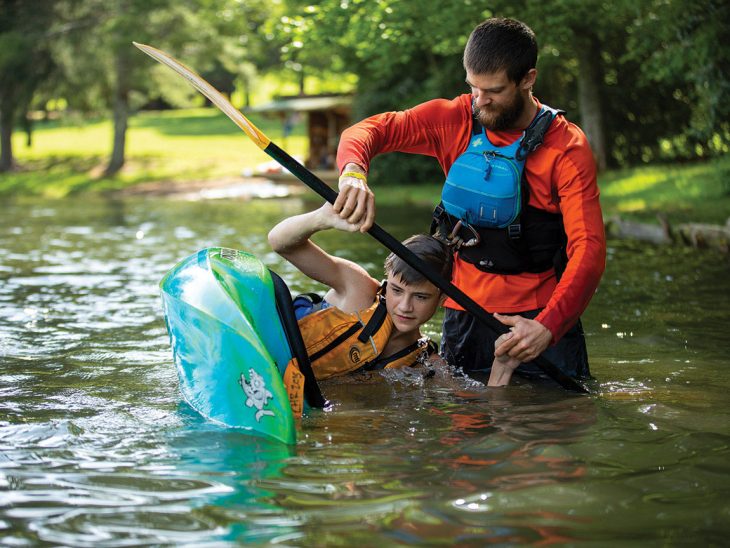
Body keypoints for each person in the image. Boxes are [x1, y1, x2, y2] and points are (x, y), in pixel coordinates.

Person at [332, 17, 606, 385]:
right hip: (464, 313)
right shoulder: (455, 119)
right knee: (464, 431)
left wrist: (549, 326)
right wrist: (353, 171)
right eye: (473, 88)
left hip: (538, 317)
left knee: (553, 428)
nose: (480, 101)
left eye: (493, 90)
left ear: (528, 79)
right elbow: (369, 131)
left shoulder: (566, 148)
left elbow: (588, 248)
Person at [268, 202, 452, 380]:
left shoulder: (428, 365)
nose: (405, 307)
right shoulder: (358, 288)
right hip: (272, 350)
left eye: (420, 297)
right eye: (396, 290)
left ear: (442, 299)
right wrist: (320, 219)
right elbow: (279, 242)